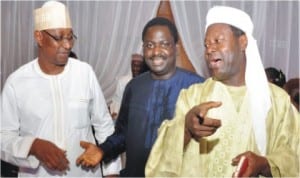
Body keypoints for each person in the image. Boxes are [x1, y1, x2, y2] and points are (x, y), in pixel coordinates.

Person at [145, 6, 300, 177]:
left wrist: (264, 164)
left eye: (217, 41)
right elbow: (160, 159)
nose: (209, 49)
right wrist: (186, 129)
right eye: (206, 45)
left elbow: (294, 156)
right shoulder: (193, 96)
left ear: (242, 42)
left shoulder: (277, 102)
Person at [0, 1, 121, 177]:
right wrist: (33, 146)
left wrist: (112, 171)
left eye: (70, 37)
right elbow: (3, 137)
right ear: (39, 37)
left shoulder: (84, 72)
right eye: (59, 37)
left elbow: (104, 126)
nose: (67, 45)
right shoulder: (17, 82)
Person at [76, 17, 205, 177]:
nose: (156, 51)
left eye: (164, 44)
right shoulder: (133, 87)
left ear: (176, 48)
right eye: (150, 45)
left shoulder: (198, 87)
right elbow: (123, 134)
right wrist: (102, 150)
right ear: (143, 49)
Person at [109, 53, 147, 120]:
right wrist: (115, 111)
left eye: (138, 66)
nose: (135, 69)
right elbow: (117, 99)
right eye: (133, 66)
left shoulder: (146, 83)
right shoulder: (123, 81)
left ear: (142, 67)